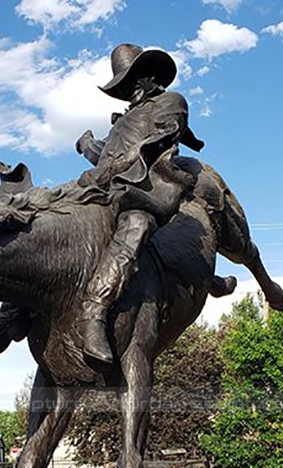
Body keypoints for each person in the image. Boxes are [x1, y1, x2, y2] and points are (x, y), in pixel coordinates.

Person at [74, 43, 204, 364]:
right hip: (109, 188)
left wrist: (112, 168)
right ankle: (18, 311)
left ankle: (94, 311)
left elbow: (158, 139)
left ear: (148, 77)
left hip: (146, 191)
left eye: (131, 81)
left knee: (137, 223)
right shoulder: (122, 122)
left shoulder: (171, 103)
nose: (128, 91)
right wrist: (89, 144)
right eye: (122, 86)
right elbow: (104, 155)